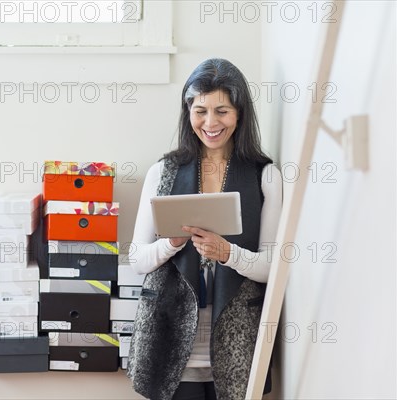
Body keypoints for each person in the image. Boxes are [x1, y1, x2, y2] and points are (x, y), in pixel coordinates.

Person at [126, 58, 283, 400]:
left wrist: (228, 253)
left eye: (222, 111)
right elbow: (136, 260)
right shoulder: (163, 172)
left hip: (236, 343)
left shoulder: (265, 176)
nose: (210, 123)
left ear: (240, 113)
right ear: (188, 112)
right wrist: (170, 243)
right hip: (170, 338)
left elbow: (273, 266)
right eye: (200, 111)